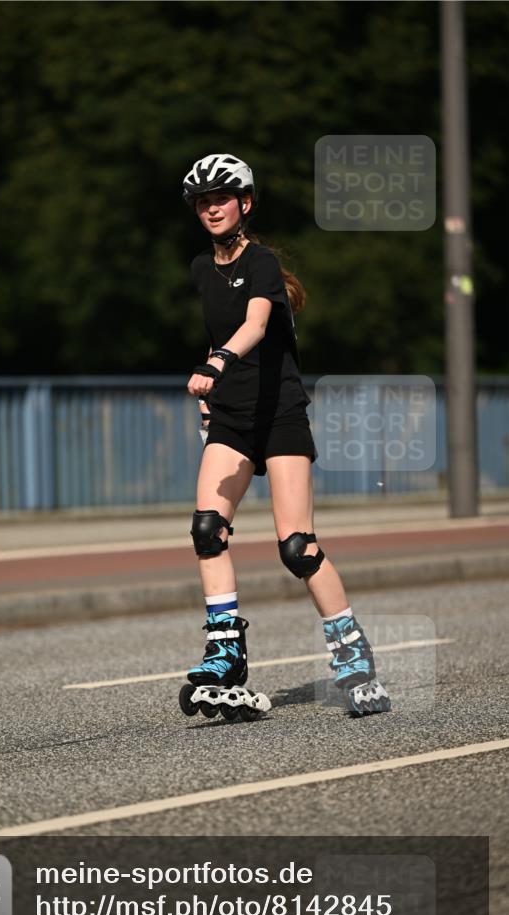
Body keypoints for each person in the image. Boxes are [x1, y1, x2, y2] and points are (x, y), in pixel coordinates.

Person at [181, 153, 391, 718]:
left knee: (297, 548)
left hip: (280, 416)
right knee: (207, 530)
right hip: (231, 417)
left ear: (245, 203)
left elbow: (253, 324)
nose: (212, 208)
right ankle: (226, 654)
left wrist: (217, 362)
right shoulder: (201, 268)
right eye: (203, 202)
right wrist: (211, 395)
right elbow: (219, 331)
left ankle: (353, 656)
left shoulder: (263, 263)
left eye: (222, 198)